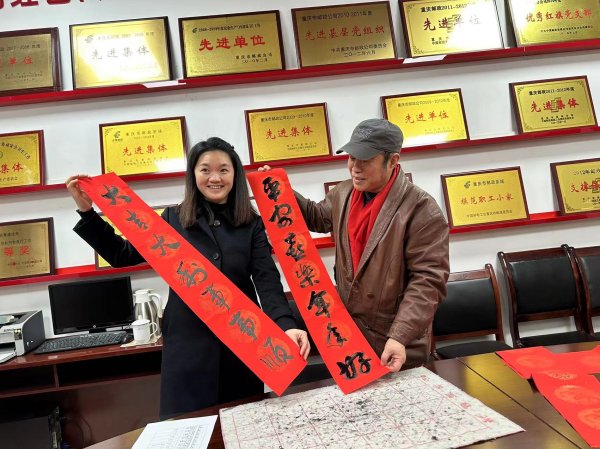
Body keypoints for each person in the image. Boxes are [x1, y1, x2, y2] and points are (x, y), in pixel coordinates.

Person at [66, 137, 310, 419]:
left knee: (243, 425)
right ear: (193, 175)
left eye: (223, 170)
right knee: (187, 427)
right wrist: (87, 211)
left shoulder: (251, 224)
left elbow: (267, 281)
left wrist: (285, 325)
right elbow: (122, 254)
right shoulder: (173, 219)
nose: (215, 178)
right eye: (205, 169)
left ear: (235, 175)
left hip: (242, 348)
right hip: (187, 350)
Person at [260, 118, 449, 372]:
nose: (355, 168)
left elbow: (428, 282)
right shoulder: (344, 193)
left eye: (365, 160)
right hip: (349, 336)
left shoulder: (422, 209)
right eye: (351, 158)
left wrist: (400, 335)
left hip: (393, 341)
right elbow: (317, 216)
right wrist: (280, 188)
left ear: (393, 160)